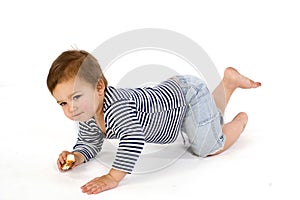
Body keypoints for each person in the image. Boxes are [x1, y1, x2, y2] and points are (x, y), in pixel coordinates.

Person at [46, 50, 261, 195]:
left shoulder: (117, 107)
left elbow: (134, 138)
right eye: (62, 103)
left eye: (76, 97)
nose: (70, 108)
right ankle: (228, 84)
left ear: (99, 88)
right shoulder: (87, 113)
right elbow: (90, 143)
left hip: (187, 97)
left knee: (208, 146)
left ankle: (240, 122)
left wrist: (113, 177)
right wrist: (77, 156)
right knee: (204, 123)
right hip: (174, 99)